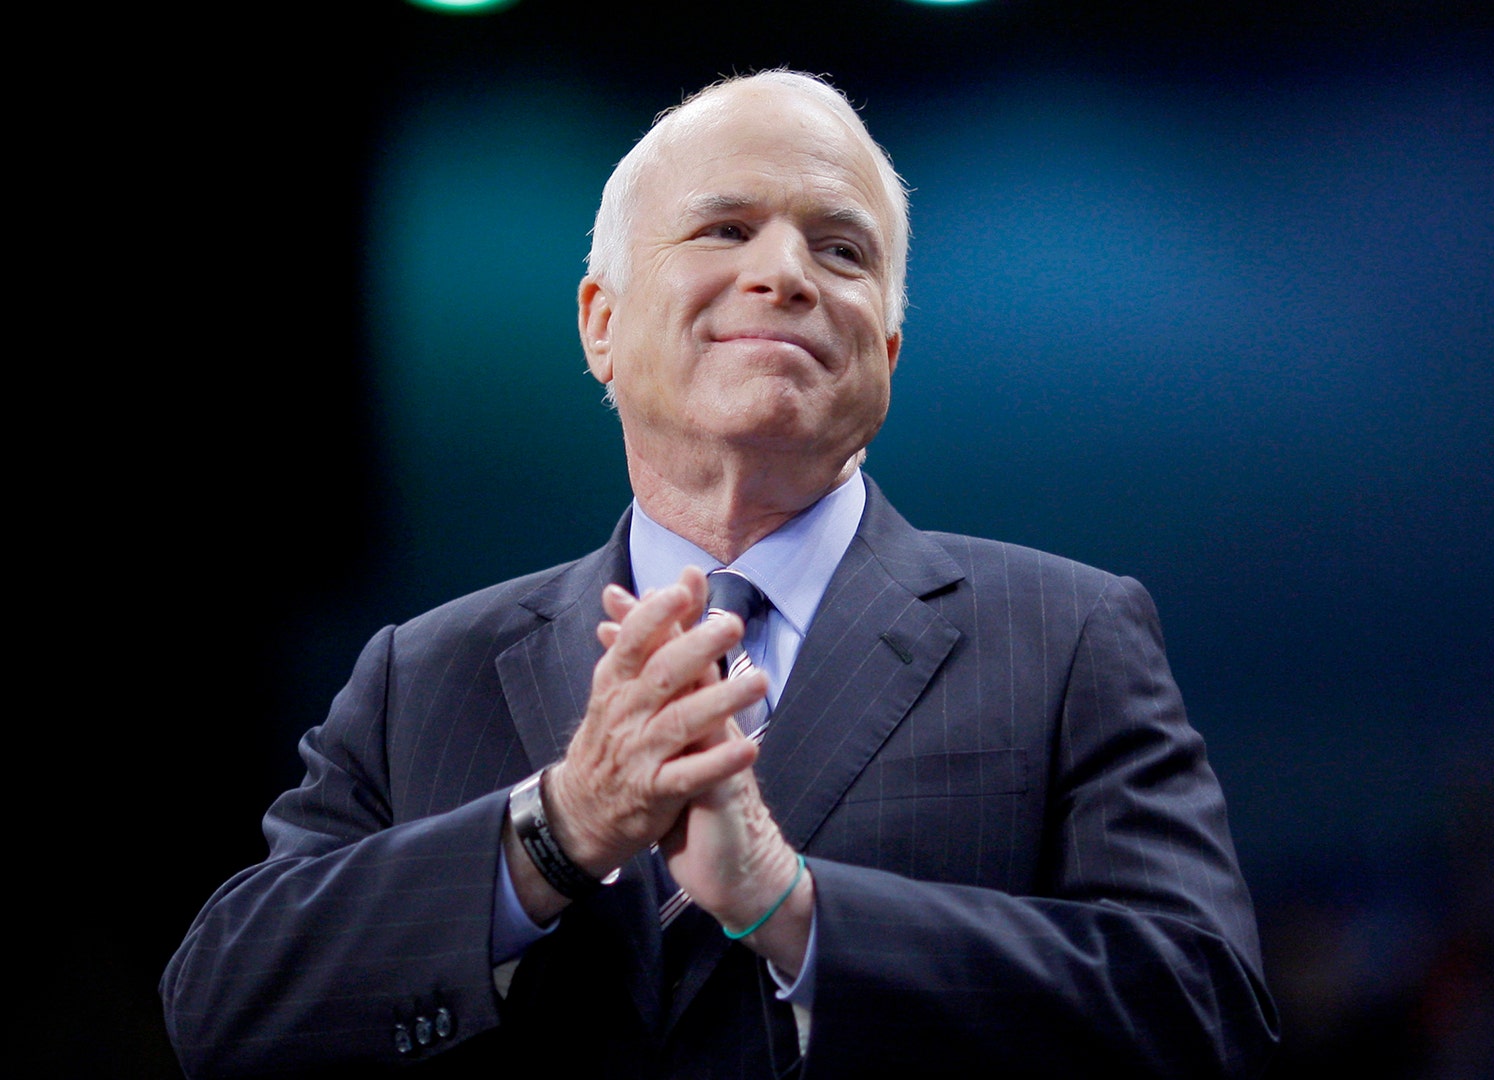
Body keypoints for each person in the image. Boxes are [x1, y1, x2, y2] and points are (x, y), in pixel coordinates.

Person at [162, 70, 1279, 1078]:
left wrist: (795, 910)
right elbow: (226, 1010)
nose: (785, 273)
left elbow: (1204, 1013)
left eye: (842, 250)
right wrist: (559, 826)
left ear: (883, 357)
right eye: (726, 227)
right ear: (601, 324)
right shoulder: (423, 674)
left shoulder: (1070, 635)